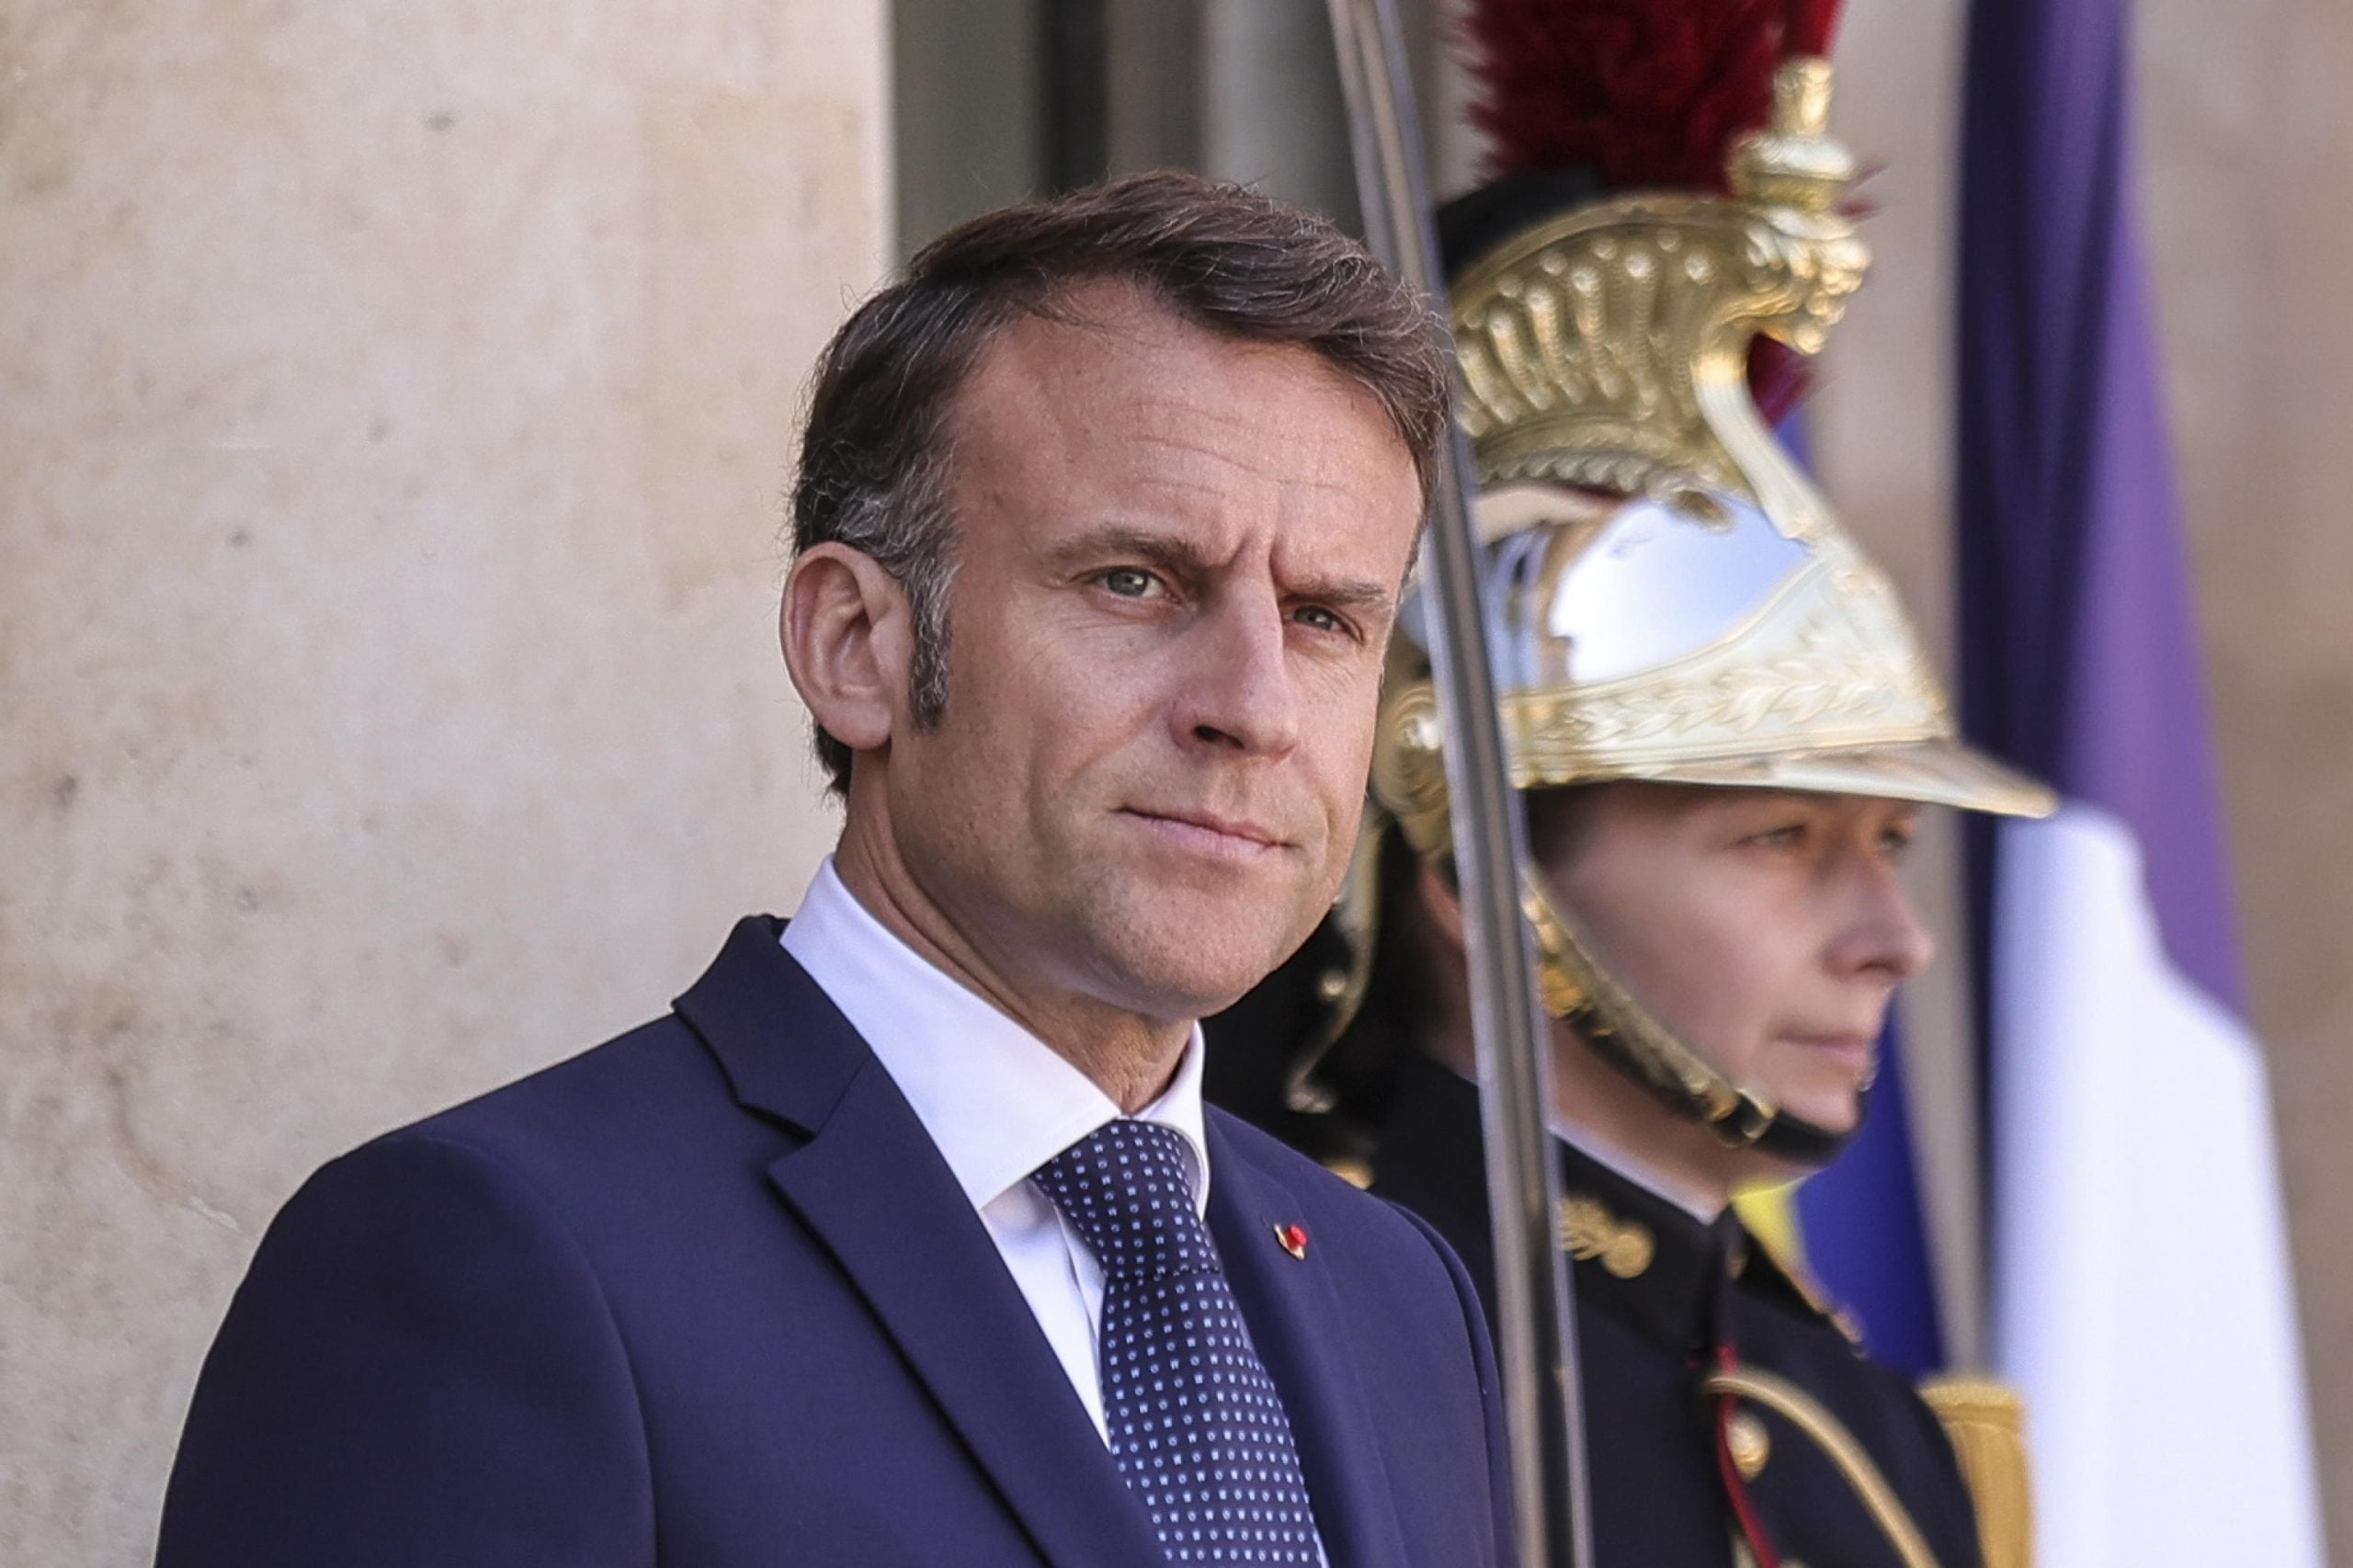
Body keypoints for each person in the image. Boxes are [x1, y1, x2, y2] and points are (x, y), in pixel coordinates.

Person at [154, 172, 1518, 1568]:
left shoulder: (1402, 1298)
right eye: (1135, 581)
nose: (1256, 707)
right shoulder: (491, 1256)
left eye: (1324, 617)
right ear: (855, 644)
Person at [1203, 12, 2047, 1568]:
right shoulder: (1276, 1353)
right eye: (1780, 837)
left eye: (1891, 842)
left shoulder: (1868, 1436)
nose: (1894, 938)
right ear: (1476, 879)